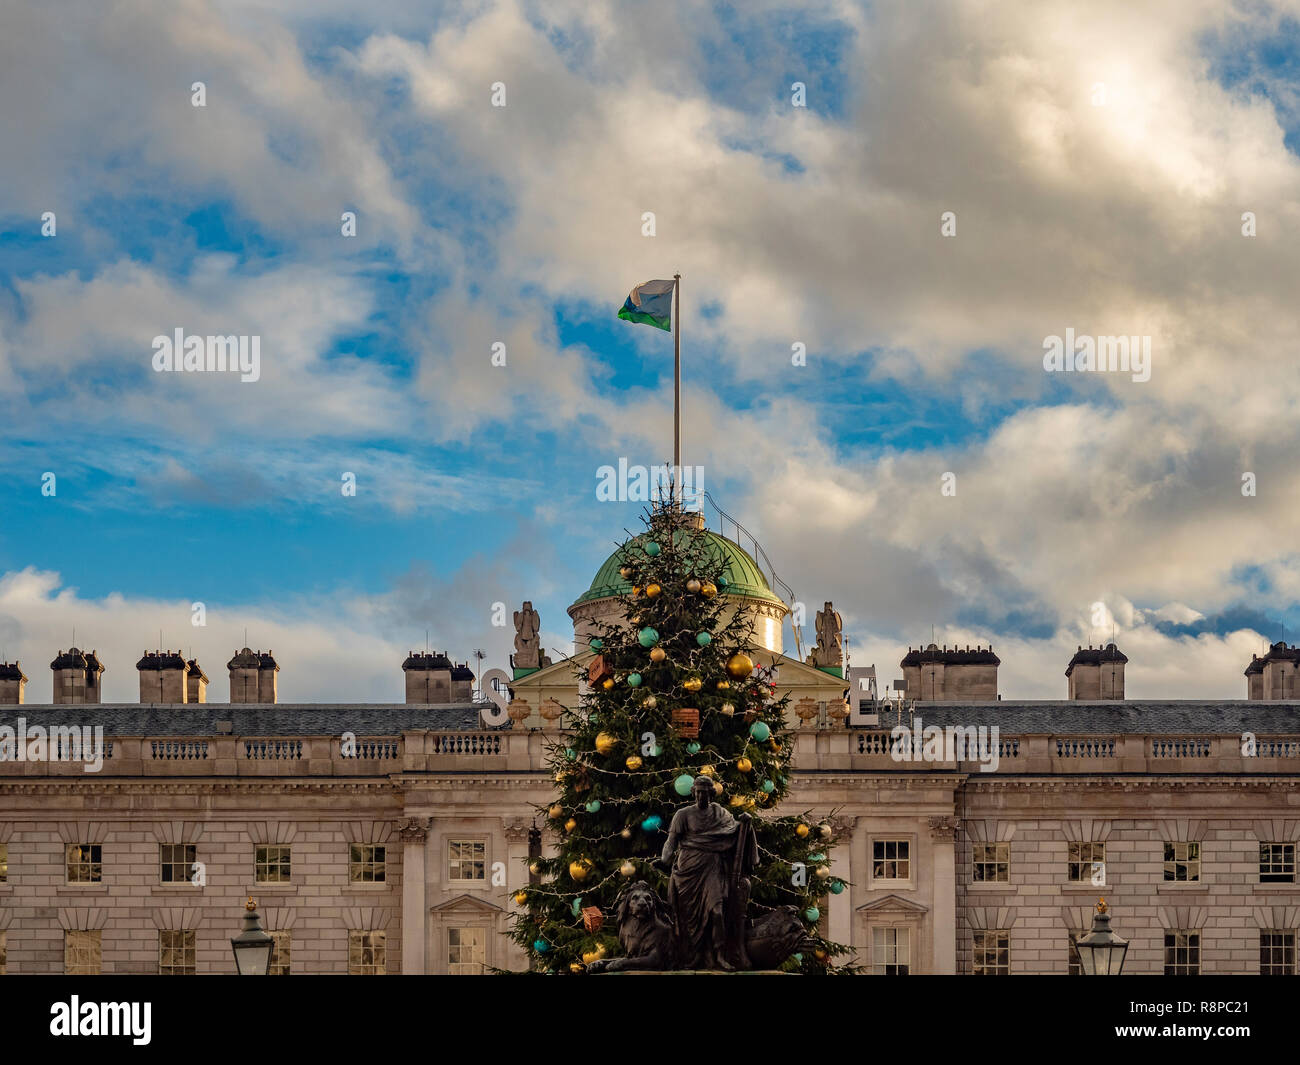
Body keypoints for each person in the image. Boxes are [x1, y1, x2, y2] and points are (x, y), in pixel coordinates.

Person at [656, 775, 758, 969]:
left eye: (705, 792)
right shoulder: (683, 815)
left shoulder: (721, 814)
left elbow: (735, 832)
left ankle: (720, 956)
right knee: (688, 918)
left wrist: (746, 824)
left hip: (712, 867)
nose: (701, 796)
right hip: (687, 870)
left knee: (717, 911)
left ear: (712, 794)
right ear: (693, 792)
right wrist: (664, 859)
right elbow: (671, 842)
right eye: (698, 792)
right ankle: (692, 956)